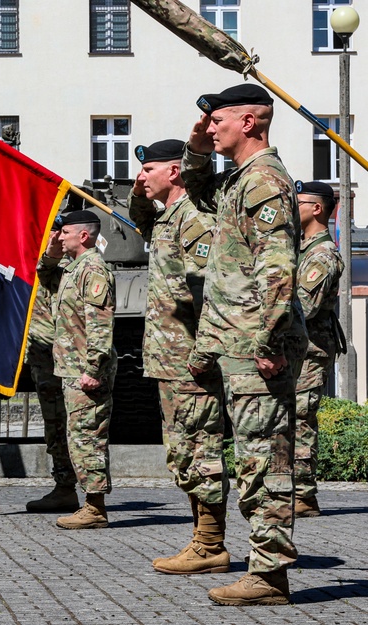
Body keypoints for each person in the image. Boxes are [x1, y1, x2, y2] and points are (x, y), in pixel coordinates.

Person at [181, 83, 308, 606]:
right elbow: (194, 188)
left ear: (250, 122)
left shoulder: (263, 181)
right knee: (254, 459)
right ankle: (264, 569)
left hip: (259, 346)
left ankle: (269, 575)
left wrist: (269, 339)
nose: (211, 129)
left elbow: (277, 268)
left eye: (218, 120)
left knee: (265, 461)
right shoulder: (238, 180)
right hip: (238, 343)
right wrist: (195, 146)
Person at [128, 139, 228, 575]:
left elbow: (211, 292)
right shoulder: (167, 219)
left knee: (200, 450)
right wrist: (137, 193)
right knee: (183, 452)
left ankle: (210, 545)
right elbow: (139, 218)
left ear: (174, 173)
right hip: (170, 360)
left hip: (190, 361)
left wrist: (204, 354)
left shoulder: (193, 221)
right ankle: (202, 541)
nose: (141, 176)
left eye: (149, 169)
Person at [38, 209, 117, 530]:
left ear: (83, 235)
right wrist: (53, 251)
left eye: (65, 232)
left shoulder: (93, 269)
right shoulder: (72, 268)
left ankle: (95, 508)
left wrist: (94, 368)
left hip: (86, 369)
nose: (60, 236)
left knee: (89, 436)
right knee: (78, 436)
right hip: (71, 367)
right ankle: (88, 502)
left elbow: (100, 325)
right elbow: (44, 277)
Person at [292, 180, 345, 518]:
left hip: (310, 351)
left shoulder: (322, 256)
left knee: (300, 419)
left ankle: (304, 496)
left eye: (299, 204)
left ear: (317, 209)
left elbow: (303, 307)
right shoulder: (301, 248)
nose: (292, 210)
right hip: (296, 348)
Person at [26, 215, 79, 513]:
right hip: (43, 357)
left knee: (82, 427)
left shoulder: (77, 267)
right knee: (54, 424)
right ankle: (64, 486)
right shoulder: (39, 264)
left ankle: (94, 495)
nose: (54, 237)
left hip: (71, 357)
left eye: (59, 231)